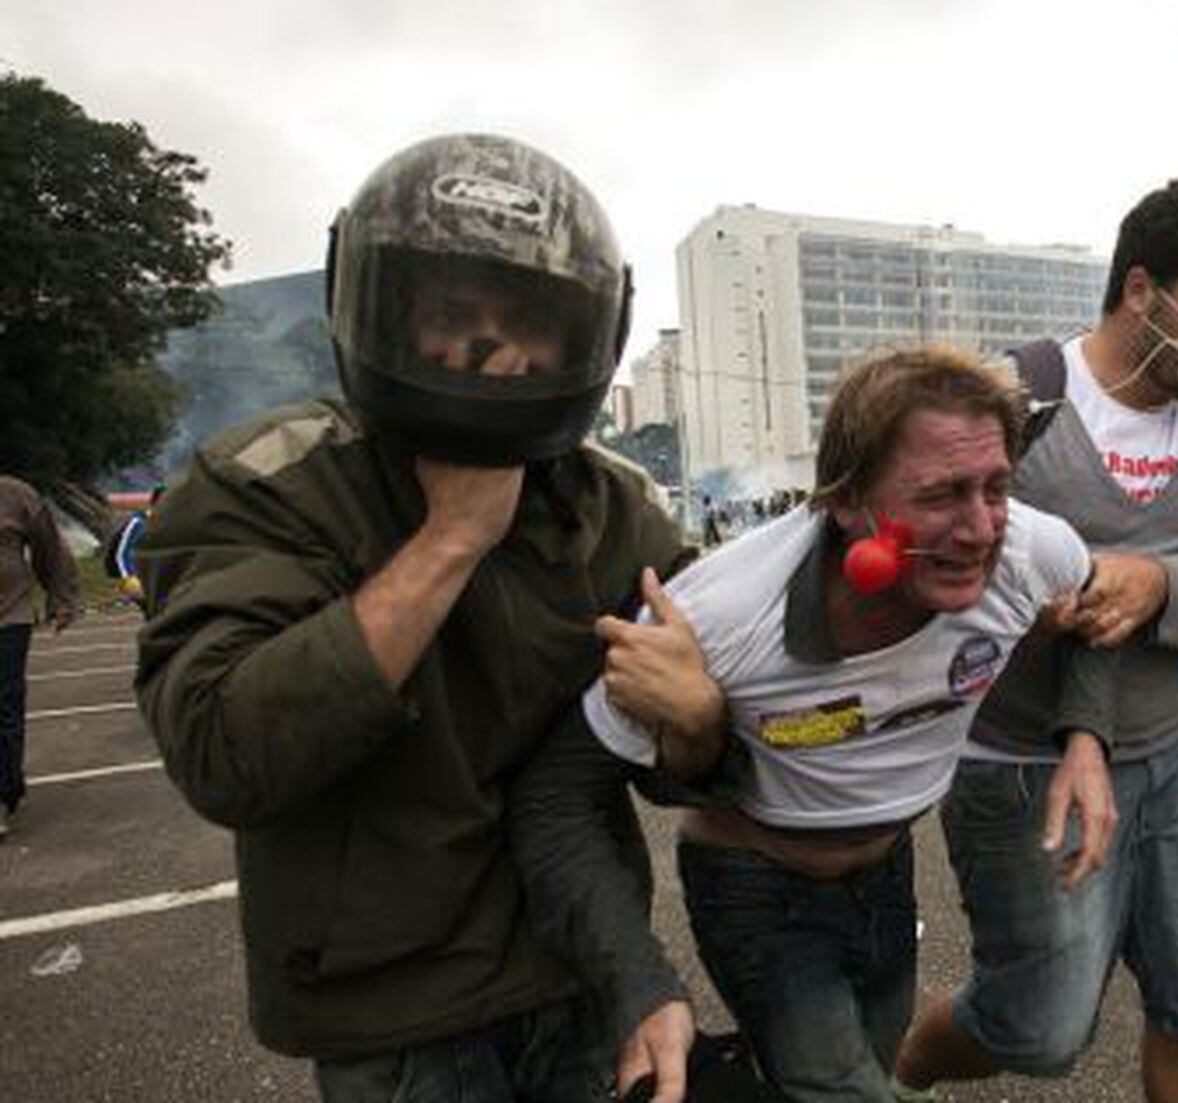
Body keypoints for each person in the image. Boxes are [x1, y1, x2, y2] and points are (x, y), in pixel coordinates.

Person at [135, 134, 718, 1103]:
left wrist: (697, 723)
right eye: (452, 312)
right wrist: (450, 537)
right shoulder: (268, 482)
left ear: (580, 333)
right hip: (391, 1005)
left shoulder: (614, 504)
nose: (487, 347)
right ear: (386, 309)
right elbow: (224, 749)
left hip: (575, 965)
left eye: (524, 317)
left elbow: (706, 728)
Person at [510, 346, 1117, 1103]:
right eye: (941, 494)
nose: (978, 528)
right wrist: (640, 984)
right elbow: (554, 796)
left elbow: (1098, 606)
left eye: (996, 486)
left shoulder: (1029, 548)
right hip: (758, 891)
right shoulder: (719, 615)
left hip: (888, 876)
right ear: (848, 499)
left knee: (869, 1066)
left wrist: (1085, 739)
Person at [896, 179, 1178, 1103]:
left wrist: (1159, 585)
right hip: (1020, 762)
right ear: (1141, 288)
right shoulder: (1011, 401)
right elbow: (917, 552)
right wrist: (1020, 587)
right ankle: (908, 1058)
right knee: (1039, 1026)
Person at [0, 474, 81, 840]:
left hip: (8, 617)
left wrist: (62, 597)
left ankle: (2, 796)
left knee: (5, 705)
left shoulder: (15, 493)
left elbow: (49, 547)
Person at [104, 484, 164, 605]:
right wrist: (128, 578)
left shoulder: (166, 523)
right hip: (133, 577)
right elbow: (121, 554)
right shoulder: (139, 523)